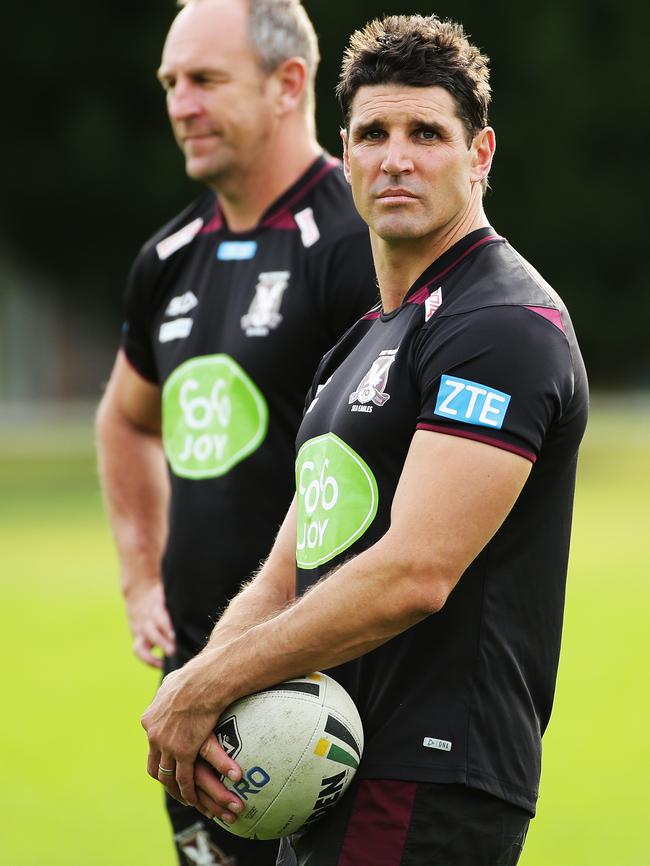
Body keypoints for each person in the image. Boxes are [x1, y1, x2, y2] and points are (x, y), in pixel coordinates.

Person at [139, 13, 589, 866]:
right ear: (342, 153)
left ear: (480, 153)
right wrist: (198, 694)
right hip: (321, 769)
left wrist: (209, 684)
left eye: (427, 133)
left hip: (426, 776)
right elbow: (287, 569)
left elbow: (415, 574)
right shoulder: (362, 341)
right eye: (373, 134)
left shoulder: (501, 325)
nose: (396, 158)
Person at [95, 0, 377, 863]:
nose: (181, 102)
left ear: (289, 83)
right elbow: (124, 417)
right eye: (171, 83)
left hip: (321, 685)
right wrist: (142, 579)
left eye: (206, 80)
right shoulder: (168, 255)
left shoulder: (358, 241)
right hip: (193, 686)